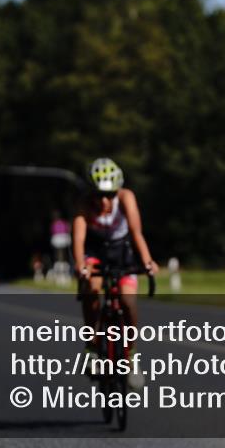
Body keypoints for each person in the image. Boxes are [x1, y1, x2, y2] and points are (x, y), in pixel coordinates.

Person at [72, 157, 158, 388]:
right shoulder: (83, 205)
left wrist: (147, 262)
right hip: (95, 252)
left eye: (109, 195)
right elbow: (79, 240)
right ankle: (91, 347)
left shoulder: (126, 198)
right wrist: (81, 266)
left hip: (122, 251)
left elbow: (136, 233)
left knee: (127, 300)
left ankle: (131, 355)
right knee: (92, 288)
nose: (103, 200)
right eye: (98, 194)